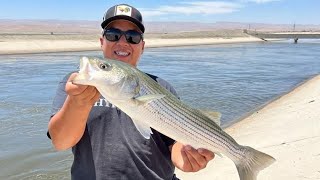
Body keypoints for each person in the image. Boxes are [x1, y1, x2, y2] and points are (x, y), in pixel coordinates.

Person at [47, 4, 215, 180]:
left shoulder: (162, 87)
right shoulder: (76, 85)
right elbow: (61, 142)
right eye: (113, 35)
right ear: (102, 42)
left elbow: (174, 143)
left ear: (142, 46)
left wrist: (187, 158)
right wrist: (78, 103)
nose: (122, 42)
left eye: (132, 37)